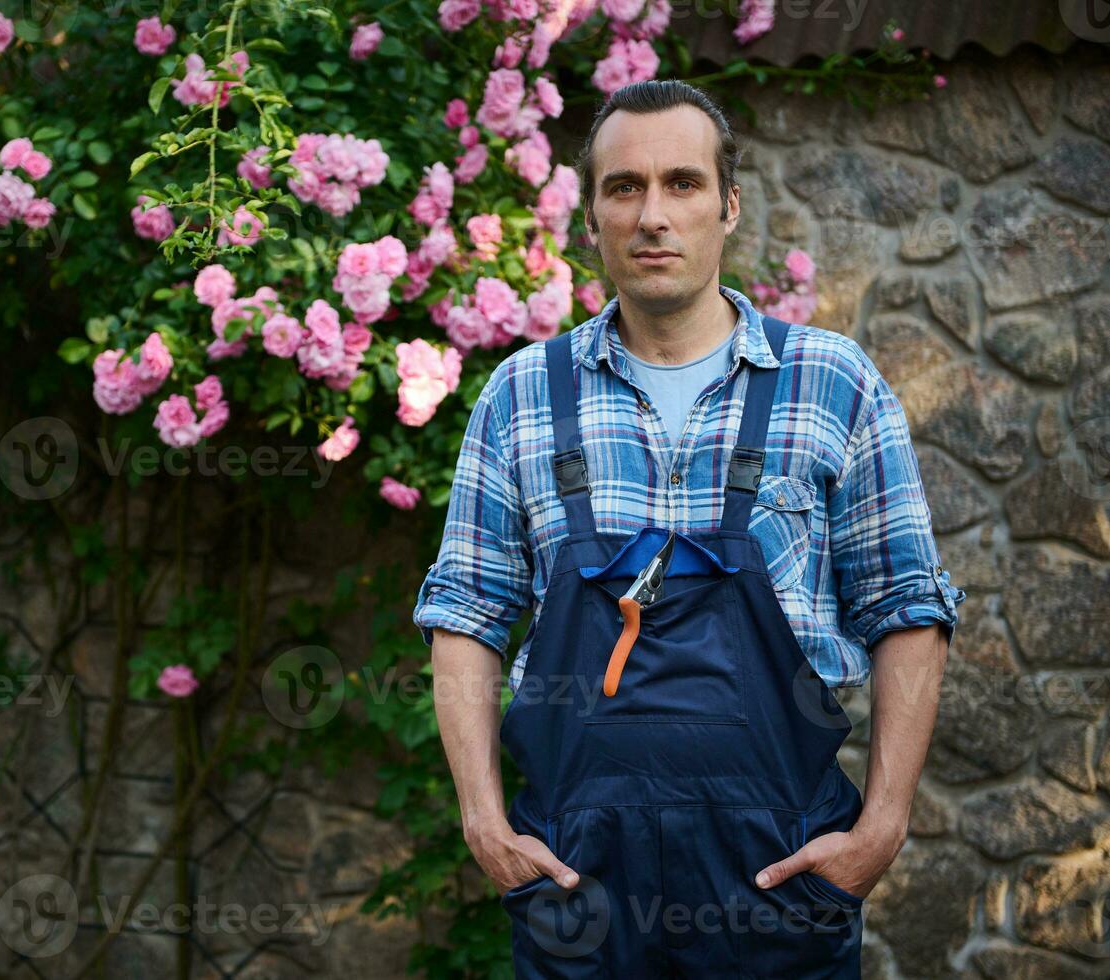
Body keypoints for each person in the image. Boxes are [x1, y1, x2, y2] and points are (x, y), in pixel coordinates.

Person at [411, 79, 966, 978]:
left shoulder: (831, 382)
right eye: (623, 188)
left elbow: (905, 607)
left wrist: (880, 829)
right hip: (573, 878)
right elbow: (465, 613)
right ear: (590, 215)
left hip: (778, 873)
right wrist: (484, 820)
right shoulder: (522, 395)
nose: (651, 216)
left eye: (681, 183)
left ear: (728, 204)